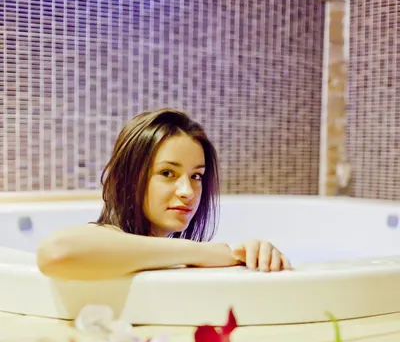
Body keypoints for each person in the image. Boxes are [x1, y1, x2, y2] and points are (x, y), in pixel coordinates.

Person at [37, 108, 291, 280]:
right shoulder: (105, 238)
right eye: (167, 173)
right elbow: (56, 252)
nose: (187, 192)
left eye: (196, 176)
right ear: (128, 177)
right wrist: (198, 252)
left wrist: (254, 257)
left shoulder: (174, 254)